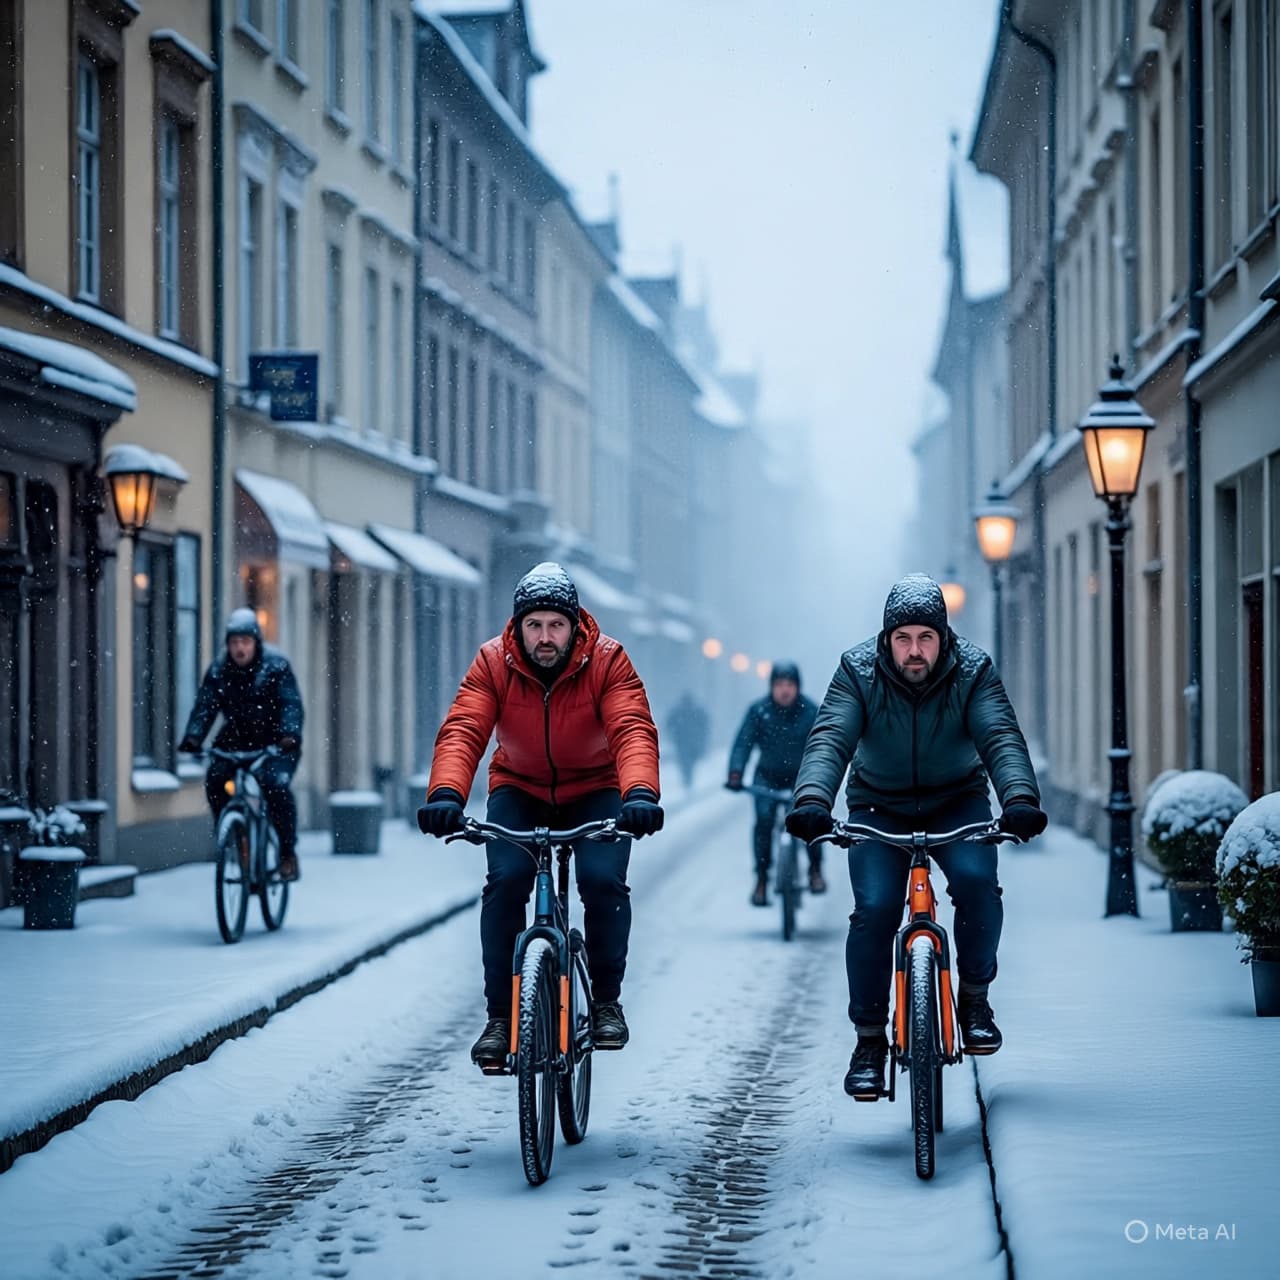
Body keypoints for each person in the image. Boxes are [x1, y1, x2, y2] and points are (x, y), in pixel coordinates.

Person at [784, 574, 1047, 1100]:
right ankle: (868, 1040)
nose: (914, 650)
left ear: (943, 639)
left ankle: (974, 999)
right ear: (886, 640)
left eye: (926, 638)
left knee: (976, 885)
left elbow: (998, 733)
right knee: (875, 909)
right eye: (903, 639)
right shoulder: (857, 670)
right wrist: (813, 800)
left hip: (958, 801)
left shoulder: (973, 670)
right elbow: (832, 735)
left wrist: (1018, 797)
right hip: (878, 807)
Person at [417, 562, 664, 1071]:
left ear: (575, 626)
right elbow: (465, 728)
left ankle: (605, 1004)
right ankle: (502, 1019)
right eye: (534, 625)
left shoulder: (608, 661)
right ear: (518, 627)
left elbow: (632, 728)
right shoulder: (492, 662)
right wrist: (446, 793)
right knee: (506, 881)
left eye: (556, 625)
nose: (545, 637)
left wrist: (639, 791)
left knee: (601, 881)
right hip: (520, 787)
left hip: (598, 788)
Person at [179, 608, 305, 882]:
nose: (239, 648)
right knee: (215, 779)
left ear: (256, 643)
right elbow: (205, 706)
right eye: (234, 642)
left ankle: (287, 854)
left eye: (245, 642)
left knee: (275, 786)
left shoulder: (276, 666)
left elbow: (290, 705)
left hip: (276, 743)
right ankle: (232, 833)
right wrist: (193, 737)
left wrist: (289, 734)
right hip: (235, 740)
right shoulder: (219, 670)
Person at [726, 661, 824, 905]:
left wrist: (822, 776)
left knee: (809, 821)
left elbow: (824, 745)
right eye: (779, 684)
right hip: (766, 779)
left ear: (797, 687)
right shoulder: (759, 711)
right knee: (763, 821)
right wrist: (736, 773)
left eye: (789, 684)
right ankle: (761, 879)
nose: (784, 690)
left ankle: (815, 869)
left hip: (800, 779)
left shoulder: (810, 711)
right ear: (771, 686)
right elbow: (743, 742)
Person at [667, 691, 710, 791]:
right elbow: (705, 724)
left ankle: (687, 779)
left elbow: (669, 723)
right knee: (688, 761)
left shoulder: (679, 711)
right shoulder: (695, 711)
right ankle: (688, 779)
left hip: (683, 741)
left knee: (685, 761)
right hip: (689, 741)